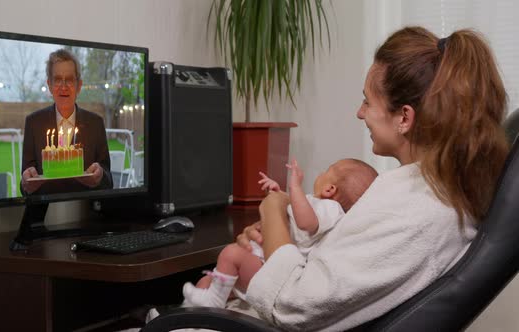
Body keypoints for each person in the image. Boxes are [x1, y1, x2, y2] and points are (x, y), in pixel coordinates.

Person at [220, 27, 510, 331]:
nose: (360, 113)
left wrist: (273, 210)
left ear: (404, 118)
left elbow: (290, 302)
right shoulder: (427, 194)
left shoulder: (414, 213)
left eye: (368, 102)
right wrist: (277, 238)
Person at [181, 158, 378, 309]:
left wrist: (294, 188)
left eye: (325, 172)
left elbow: (305, 222)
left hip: (268, 269)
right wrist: (278, 192)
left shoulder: (331, 209)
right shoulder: (315, 203)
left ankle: (213, 302)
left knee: (230, 254)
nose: (320, 174)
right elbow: (289, 212)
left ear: (329, 189)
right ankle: (180, 320)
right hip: (261, 258)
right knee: (205, 282)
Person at [21, 49, 113, 195]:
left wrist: (100, 176)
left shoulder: (95, 123)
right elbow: (25, 184)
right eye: (57, 79)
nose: (63, 86)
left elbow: (108, 181)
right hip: (45, 212)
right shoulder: (33, 123)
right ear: (49, 85)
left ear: (79, 85)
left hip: (85, 210)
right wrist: (26, 183)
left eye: (69, 79)